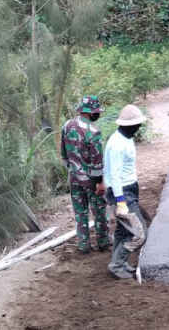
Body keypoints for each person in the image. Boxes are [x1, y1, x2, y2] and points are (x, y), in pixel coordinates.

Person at [104, 104, 148, 279]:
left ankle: (119, 263)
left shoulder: (126, 139)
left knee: (123, 231)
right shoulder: (116, 144)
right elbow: (114, 175)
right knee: (140, 233)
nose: (139, 127)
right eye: (137, 125)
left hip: (129, 189)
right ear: (128, 125)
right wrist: (121, 201)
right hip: (121, 192)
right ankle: (117, 265)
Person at [61, 95, 109, 254]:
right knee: (99, 211)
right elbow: (97, 162)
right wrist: (100, 183)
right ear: (90, 113)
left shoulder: (67, 125)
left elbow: (63, 154)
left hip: (74, 178)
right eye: (96, 111)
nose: (97, 114)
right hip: (91, 180)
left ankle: (84, 245)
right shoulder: (93, 131)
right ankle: (103, 241)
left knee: (80, 212)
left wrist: (73, 170)